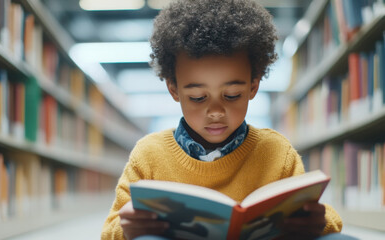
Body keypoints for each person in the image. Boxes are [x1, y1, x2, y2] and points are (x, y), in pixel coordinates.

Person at [101, 0, 346, 239]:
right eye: (198, 97)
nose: (216, 111)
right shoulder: (149, 155)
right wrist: (128, 228)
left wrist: (318, 222)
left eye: (232, 95)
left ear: (253, 86)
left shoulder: (277, 152)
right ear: (174, 89)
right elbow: (110, 228)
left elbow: (327, 217)